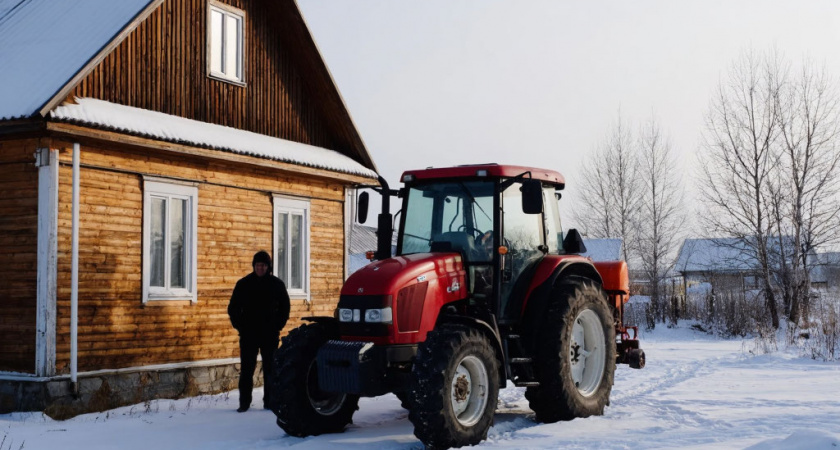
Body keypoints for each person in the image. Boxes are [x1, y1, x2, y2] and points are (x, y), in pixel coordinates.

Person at [228, 250, 290, 412]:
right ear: (253, 266)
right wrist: (240, 326)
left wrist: (278, 325)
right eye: (257, 265)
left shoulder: (276, 285)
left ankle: (269, 402)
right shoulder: (244, 284)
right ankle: (244, 403)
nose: (260, 268)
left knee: (270, 369)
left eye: (263, 265)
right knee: (247, 369)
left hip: (269, 334)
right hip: (249, 334)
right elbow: (233, 308)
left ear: (268, 266)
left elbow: (285, 307)